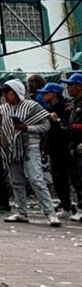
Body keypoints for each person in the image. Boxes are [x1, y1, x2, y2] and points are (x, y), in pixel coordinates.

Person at [0, 78, 59, 226]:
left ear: (17, 92)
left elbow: (45, 125)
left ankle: (50, 213)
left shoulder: (32, 106)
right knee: (16, 182)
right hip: (11, 148)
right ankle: (21, 211)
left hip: (30, 146)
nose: (5, 95)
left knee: (36, 179)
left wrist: (28, 128)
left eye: (8, 92)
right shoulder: (2, 110)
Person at [39, 81, 73, 218]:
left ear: (54, 94)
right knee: (58, 177)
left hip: (64, 147)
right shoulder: (48, 109)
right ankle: (66, 204)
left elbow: (67, 127)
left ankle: (68, 205)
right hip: (54, 147)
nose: (43, 96)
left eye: (46, 93)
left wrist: (56, 120)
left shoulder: (65, 108)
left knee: (68, 177)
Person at [63, 72, 82, 221]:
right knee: (77, 177)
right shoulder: (75, 104)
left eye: (70, 85)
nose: (68, 88)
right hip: (75, 146)